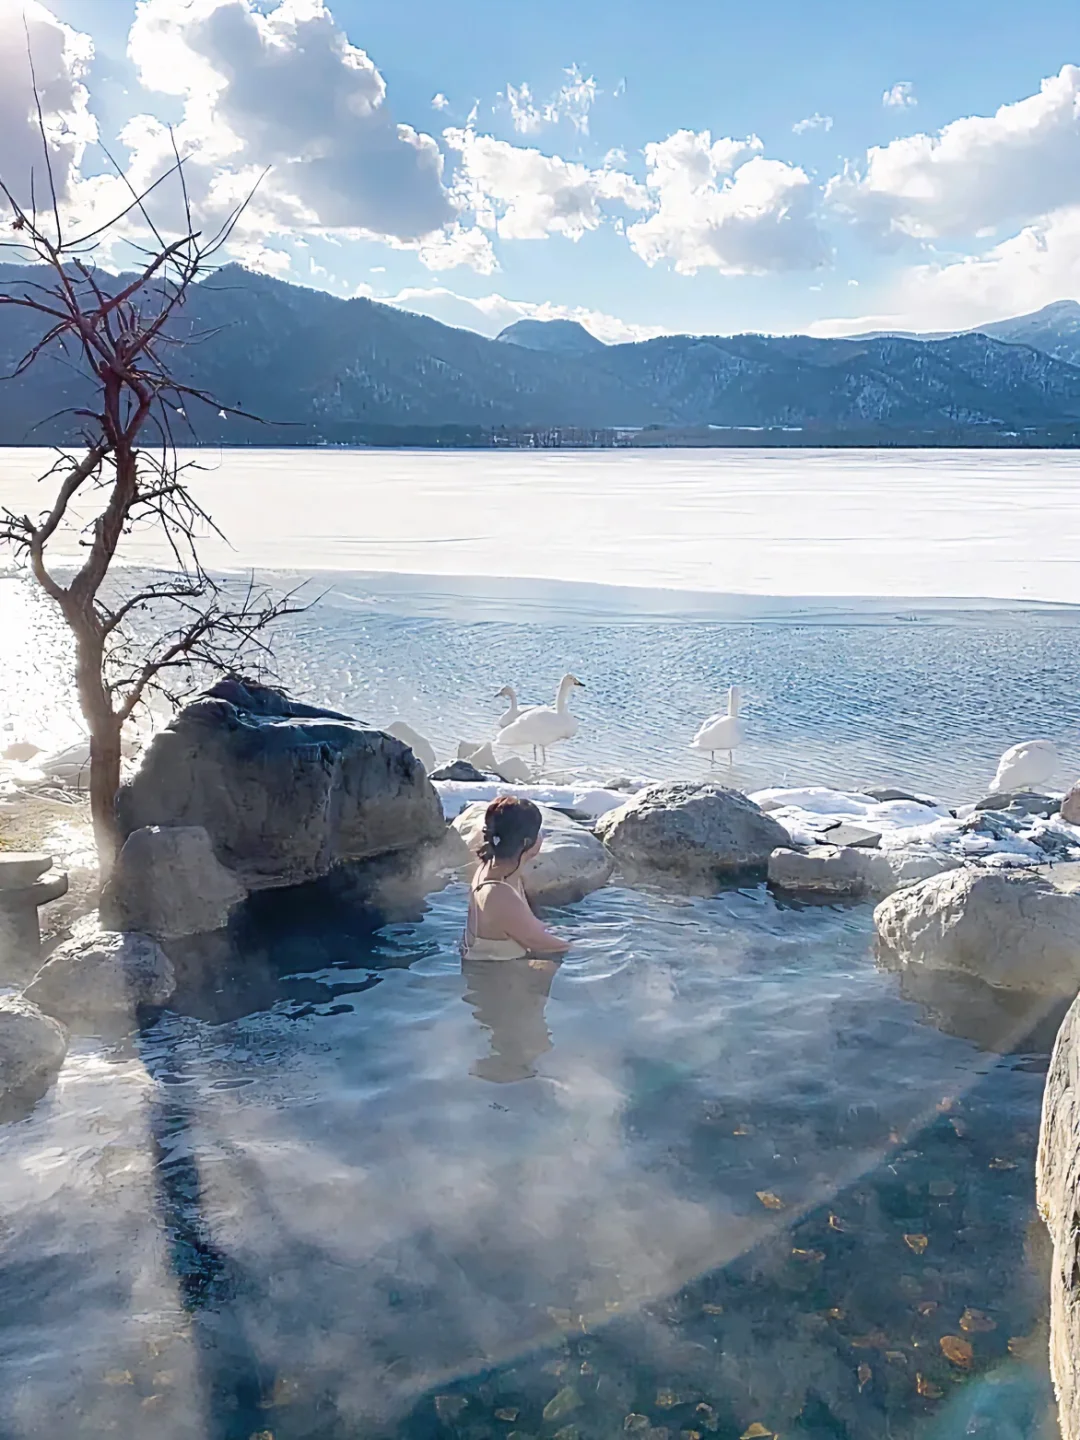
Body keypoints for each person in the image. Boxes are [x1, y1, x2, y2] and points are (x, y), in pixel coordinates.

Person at [461, 796, 570, 960]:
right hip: (497, 979)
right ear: (527, 842)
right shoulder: (498, 893)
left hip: (497, 971)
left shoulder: (494, 870)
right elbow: (545, 944)